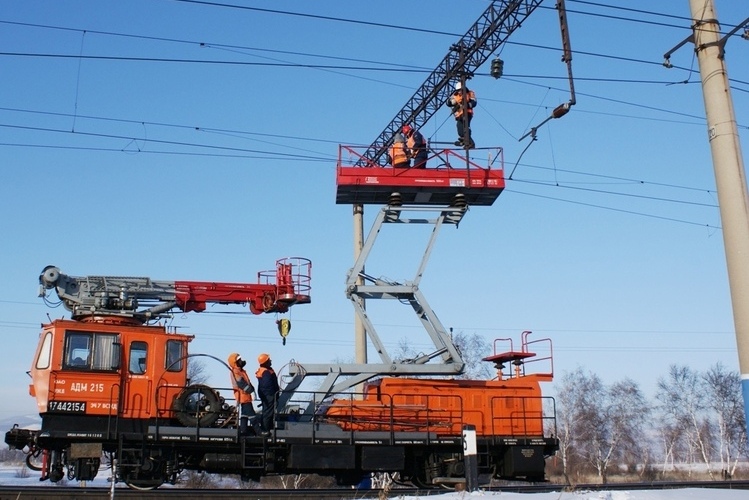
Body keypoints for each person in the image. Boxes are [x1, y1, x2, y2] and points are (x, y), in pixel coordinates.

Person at [227, 352, 257, 436]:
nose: (241, 361)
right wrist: (251, 391)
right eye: (239, 360)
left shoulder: (241, 371)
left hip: (245, 395)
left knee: (244, 414)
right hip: (243, 396)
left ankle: (243, 430)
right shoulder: (236, 372)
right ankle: (258, 431)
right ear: (235, 362)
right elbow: (241, 383)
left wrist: (252, 390)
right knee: (252, 415)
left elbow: (247, 382)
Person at [446, 81, 476, 149]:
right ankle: (464, 139)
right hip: (460, 114)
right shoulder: (456, 96)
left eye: (460, 90)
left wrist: (467, 105)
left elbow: (474, 103)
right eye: (458, 90)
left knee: (465, 127)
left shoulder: (469, 93)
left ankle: (470, 142)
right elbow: (451, 102)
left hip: (467, 113)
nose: (459, 92)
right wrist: (449, 102)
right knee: (459, 126)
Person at [255, 353, 280, 434]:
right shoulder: (266, 372)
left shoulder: (265, 370)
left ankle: (267, 428)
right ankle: (265, 430)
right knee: (268, 413)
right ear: (266, 362)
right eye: (269, 360)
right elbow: (267, 385)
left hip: (267, 395)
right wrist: (273, 395)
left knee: (267, 412)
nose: (270, 361)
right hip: (269, 395)